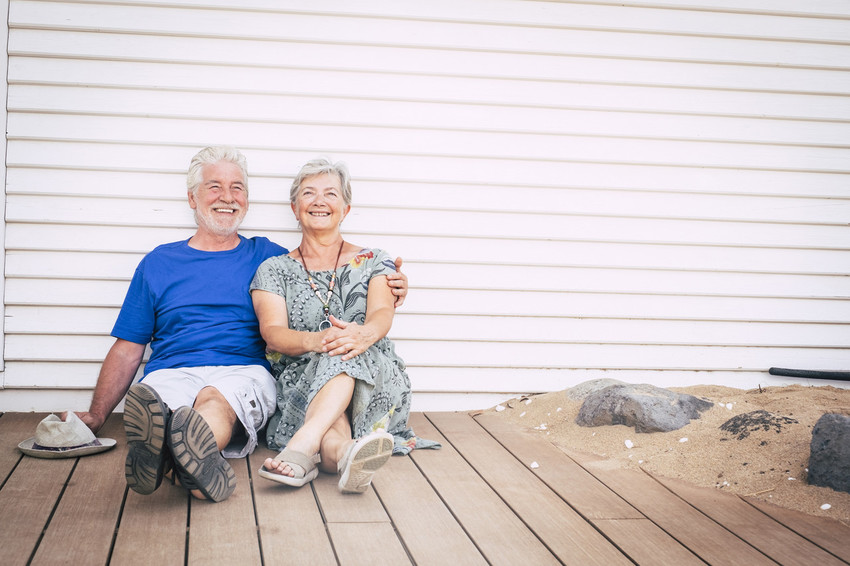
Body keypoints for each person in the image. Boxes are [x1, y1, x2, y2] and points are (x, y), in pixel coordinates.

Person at [71, 146, 409, 503]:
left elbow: (332, 269)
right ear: (192, 197)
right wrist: (96, 414)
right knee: (168, 413)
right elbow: (128, 346)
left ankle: (171, 461)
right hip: (171, 370)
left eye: (237, 188)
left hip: (241, 369)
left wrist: (394, 284)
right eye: (214, 187)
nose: (227, 197)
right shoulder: (161, 262)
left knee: (215, 401)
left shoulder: (264, 255)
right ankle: (190, 465)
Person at [250, 157, 437, 494]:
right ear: (295, 208)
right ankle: (347, 454)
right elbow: (273, 333)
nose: (319, 201)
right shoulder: (273, 269)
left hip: (371, 372)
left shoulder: (375, 260)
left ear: (346, 208)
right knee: (336, 354)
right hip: (303, 377)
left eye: (331, 194)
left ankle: (303, 444)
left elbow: (381, 313)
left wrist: (361, 335)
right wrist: (317, 341)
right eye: (309, 193)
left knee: (343, 349)